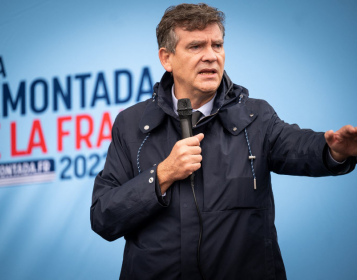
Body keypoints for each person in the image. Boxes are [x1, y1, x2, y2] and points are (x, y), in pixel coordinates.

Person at [90, 3, 357, 280]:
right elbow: (103, 217)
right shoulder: (132, 124)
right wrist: (162, 175)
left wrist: (334, 151)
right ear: (166, 58)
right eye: (196, 47)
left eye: (217, 45)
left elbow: (298, 146)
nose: (211, 56)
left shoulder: (255, 116)